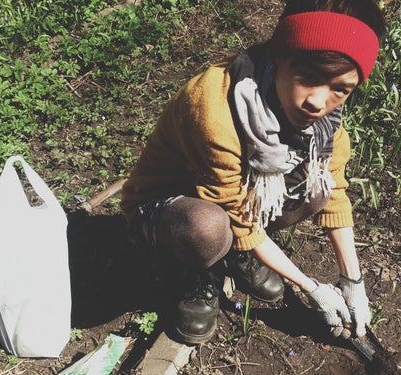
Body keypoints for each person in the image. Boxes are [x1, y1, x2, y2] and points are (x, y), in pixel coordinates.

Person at [121, 0, 387, 345]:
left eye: (340, 88)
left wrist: (353, 282)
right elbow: (234, 210)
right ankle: (196, 273)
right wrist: (309, 287)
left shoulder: (324, 124)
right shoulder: (214, 107)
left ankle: (238, 251)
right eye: (309, 78)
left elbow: (334, 191)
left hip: (232, 197)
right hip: (170, 205)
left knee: (316, 187)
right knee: (206, 229)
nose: (318, 102)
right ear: (279, 57)